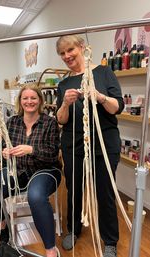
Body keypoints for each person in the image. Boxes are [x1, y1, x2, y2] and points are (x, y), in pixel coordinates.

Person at [56, 35, 124, 257]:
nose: (67, 56)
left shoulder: (104, 73)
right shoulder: (64, 84)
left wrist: (101, 97)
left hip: (104, 143)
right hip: (73, 144)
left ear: (82, 47)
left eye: (70, 50)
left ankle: (110, 240)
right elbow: (61, 119)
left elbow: (117, 107)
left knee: (104, 192)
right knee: (74, 189)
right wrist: (65, 103)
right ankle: (73, 230)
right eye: (62, 53)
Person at [0, 84, 61, 257]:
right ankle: (4, 225)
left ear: (40, 100)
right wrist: (3, 153)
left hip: (45, 170)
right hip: (17, 171)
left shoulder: (49, 123)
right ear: (20, 101)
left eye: (33, 98)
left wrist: (31, 150)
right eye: (25, 98)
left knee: (36, 196)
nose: (29, 101)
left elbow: (53, 154)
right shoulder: (12, 123)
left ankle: (50, 250)